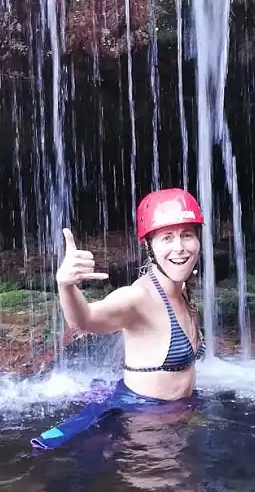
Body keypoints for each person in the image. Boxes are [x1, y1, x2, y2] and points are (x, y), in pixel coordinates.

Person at [30, 188, 207, 450]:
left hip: (179, 412)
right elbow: (85, 320)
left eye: (187, 235)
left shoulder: (183, 290)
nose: (179, 248)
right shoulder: (137, 298)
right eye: (167, 237)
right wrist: (66, 285)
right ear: (149, 246)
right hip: (145, 423)